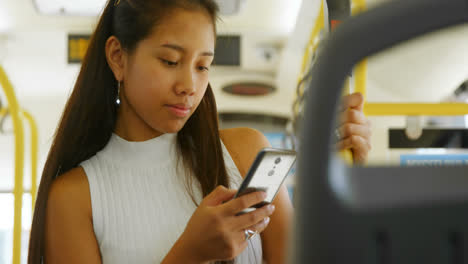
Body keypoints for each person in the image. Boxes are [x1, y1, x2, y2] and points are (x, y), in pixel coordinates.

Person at [27, 0, 372, 263]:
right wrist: (188, 255)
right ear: (118, 57)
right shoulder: (73, 198)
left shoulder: (245, 152)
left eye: (202, 65)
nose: (189, 85)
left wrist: (347, 173)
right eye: (170, 61)